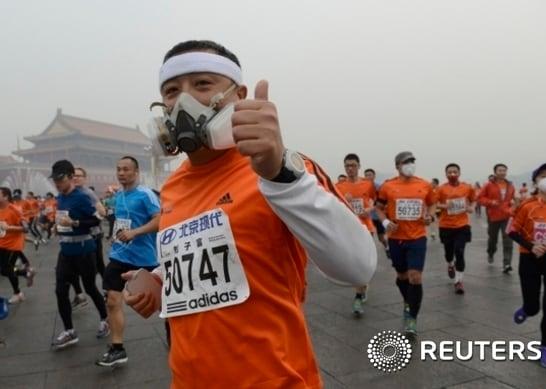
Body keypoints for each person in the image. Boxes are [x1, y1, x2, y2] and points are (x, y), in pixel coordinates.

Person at [123, 39, 376, 388]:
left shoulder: (278, 168)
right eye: (171, 91)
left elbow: (358, 268)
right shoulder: (173, 186)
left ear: (238, 95)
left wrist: (281, 177)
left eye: (202, 84)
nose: (183, 101)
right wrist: (158, 278)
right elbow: (211, 250)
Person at [95, 156, 160, 367]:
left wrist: (135, 233)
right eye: (118, 169)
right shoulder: (119, 195)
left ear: (136, 171)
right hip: (119, 255)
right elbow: (115, 218)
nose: (121, 173)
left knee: (161, 304)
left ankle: (179, 336)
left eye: (126, 169)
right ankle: (117, 348)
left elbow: (160, 220)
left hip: (145, 259)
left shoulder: (146, 195)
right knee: (112, 301)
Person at [49, 160, 109, 349]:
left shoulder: (83, 196)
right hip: (65, 252)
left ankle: (105, 319)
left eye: (61, 179)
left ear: (70, 176)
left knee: (90, 288)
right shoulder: (60, 197)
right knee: (60, 291)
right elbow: (62, 219)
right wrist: (56, 227)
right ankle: (70, 331)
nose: (57, 183)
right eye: (55, 180)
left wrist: (74, 224)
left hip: (84, 250)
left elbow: (96, 220)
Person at [376, 151, 436, 336]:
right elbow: (378, 208)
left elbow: (432, 204)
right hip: (396, 238)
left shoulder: (424, 185)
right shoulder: (388, 186)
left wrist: (430, 216)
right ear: (398, 166)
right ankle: (408, 301)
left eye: (412, 161)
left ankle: (412, 317)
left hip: (417, 237)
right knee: (402, 276)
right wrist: (385, 222)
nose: (410, 164)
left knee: (415, 276)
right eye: (406, 162)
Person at [508, 163, 546, 369]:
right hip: (530, 259)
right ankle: (527, 309)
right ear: (536, 182)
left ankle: (545, 348)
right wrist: (532, 246)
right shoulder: (527, 206)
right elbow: (512, 231)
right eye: (543, 176)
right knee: (533, 307)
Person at [335, 153, 376, 316]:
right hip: (349, 229)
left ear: (359, 166)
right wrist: (344, 201)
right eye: (347, 166)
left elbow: (375, 203)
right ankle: (359, 292)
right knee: (355, 263)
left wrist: (368, 210)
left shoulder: (368, 184)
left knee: (364, 262)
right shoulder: (339, 186)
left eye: (353, 165)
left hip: (366, 227)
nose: (350, 169)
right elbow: (335, 206)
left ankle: (359, 293)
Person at [435, 164, 476, 294]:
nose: (452, 174)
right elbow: (435, 204)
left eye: (455, 171)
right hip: (446, 226)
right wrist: (445, 206)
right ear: (446, 174)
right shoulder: (441, 189)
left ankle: (458, 281)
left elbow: (473, 200)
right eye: (450, 172)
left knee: (459, 251)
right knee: (449, 253)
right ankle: (450, 263)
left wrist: (471, 207)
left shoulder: (467, 187)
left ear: (459, 173)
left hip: (462, 225)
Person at [478, 164, 516, 273]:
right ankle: (490, 252)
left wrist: (514, 206)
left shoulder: (510, 185)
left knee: (508, 240)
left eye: (504, 170)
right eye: (500, 170)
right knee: (492, 239)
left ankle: (507, 264)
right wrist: (491, 202)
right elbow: (479, 199)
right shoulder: (488, 185)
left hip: (507, 216)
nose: (502, 172)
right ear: (495, 172)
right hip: (493, 217)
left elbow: (514, 199)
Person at [0, 187, 33, 304]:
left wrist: (10, 228)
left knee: (6, 269)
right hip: (1, 244)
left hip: (12, 245)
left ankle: (18, 293)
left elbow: (26, 228)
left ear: (5, 197)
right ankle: (25, 273)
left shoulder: (14, 210)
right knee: (4, 271)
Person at [364, 168, 390, 258]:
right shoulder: (362, 187)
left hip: (377, 216)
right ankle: (369, 255)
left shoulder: (379, 187)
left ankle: (387, 247)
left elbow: (383, 201)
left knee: (381, 237)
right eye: (366, 175)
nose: (368, 177)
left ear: (374, 176)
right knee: (368, 237)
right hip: (367, 217)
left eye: (369, 175)